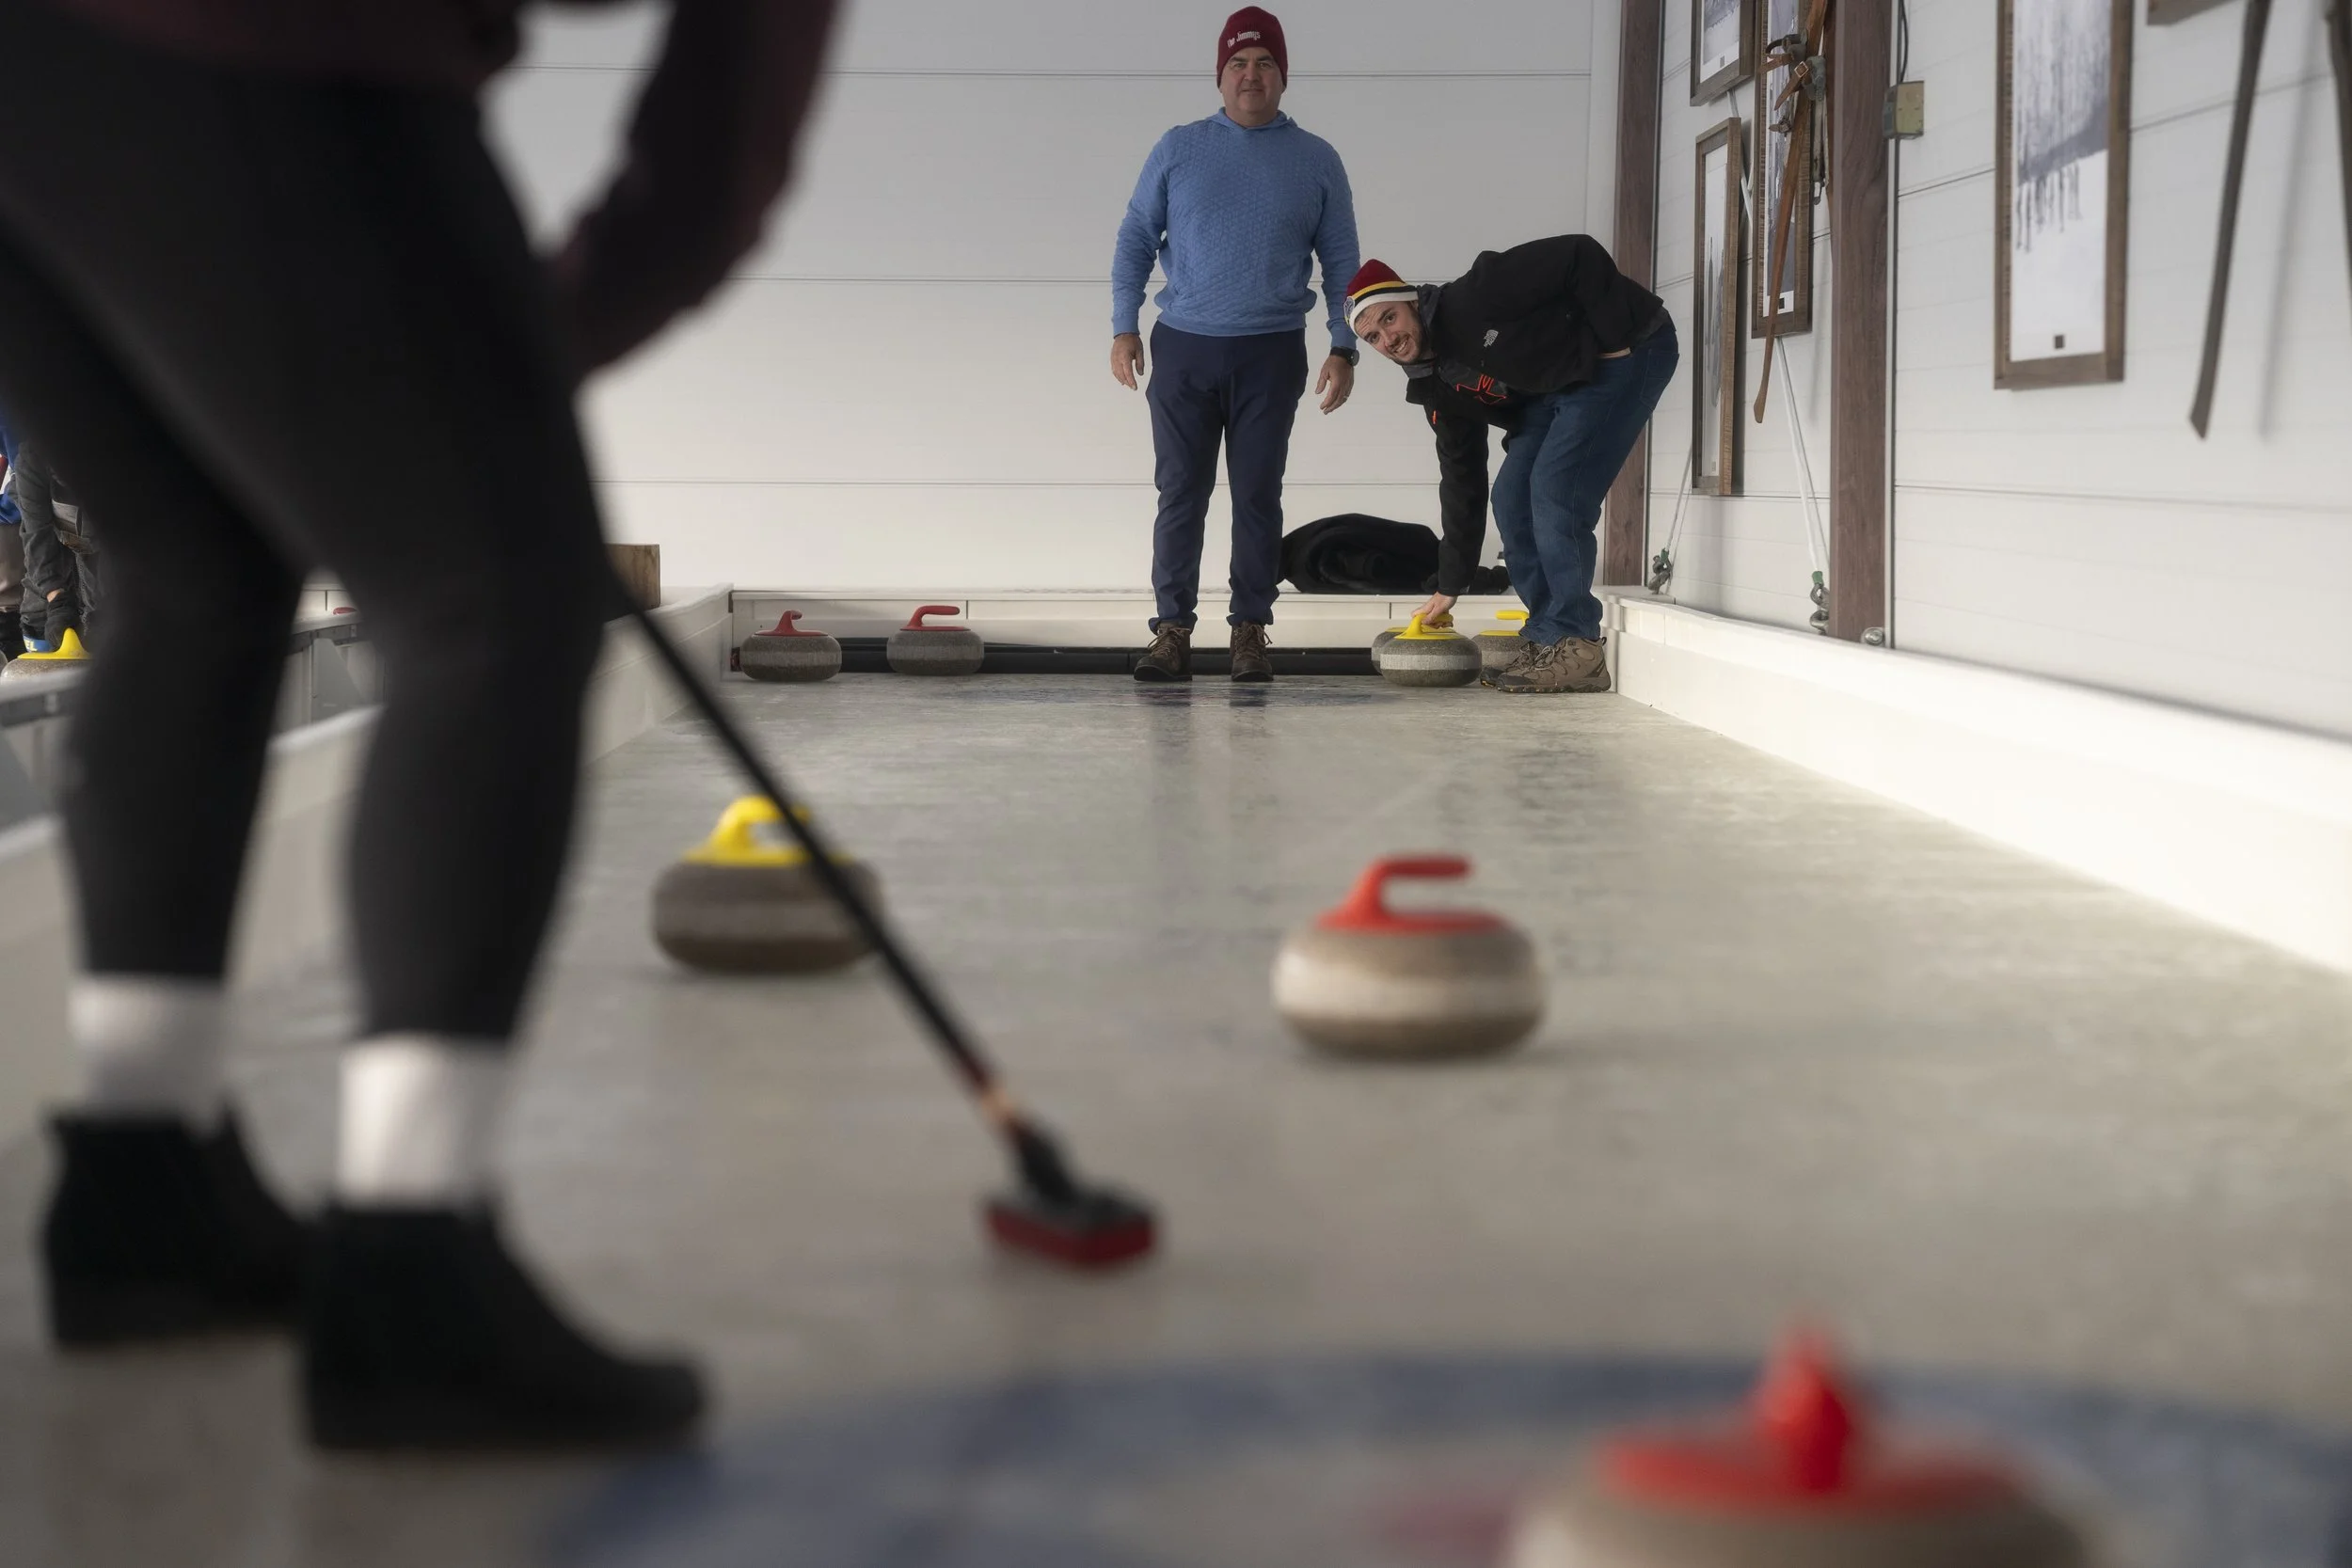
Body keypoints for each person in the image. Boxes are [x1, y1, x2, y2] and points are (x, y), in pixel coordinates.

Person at [0, 0, 838, 1449]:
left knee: (194, 578)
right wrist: (547, 334)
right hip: (255, 51)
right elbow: (724, 123)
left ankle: (145, 1187)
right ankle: (412, 1262)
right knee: (497, 601)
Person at [1111, 6, 1359, 684]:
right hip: (1185, 349)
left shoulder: (1316, 159)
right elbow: (1136, 237)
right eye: (1239, 63)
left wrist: (1344, 345)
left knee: (1257, 495)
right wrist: (1124, 325)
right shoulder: (1178, 148)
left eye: (1265, 63)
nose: (1252, 75)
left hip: (1270, 353)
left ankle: (1250, 631)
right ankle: (1171, 631)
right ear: (1220, 76)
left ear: (1284, 76)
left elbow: (1342, 261)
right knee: (1180, 494)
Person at [1345, 244, 1675, 694]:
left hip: (1624, 351)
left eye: (1389, 318)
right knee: (1511, 498)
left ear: (1413, 303)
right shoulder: (1435, 385)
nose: (1388, 338)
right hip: (1559, 383)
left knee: (1555, 488)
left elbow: (1579, 255)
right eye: (1373, 337)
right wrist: (1451, 582)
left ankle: (1578, 645)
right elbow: (1461, 478)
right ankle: (1548, 635)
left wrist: (1615, 337)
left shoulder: (1476, 295)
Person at [12, 437, 102, 651]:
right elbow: (37, 536)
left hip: (106, 546)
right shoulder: (31, 457)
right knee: (37, 614)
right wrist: (57, 599)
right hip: (57, 534)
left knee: (104, 615)